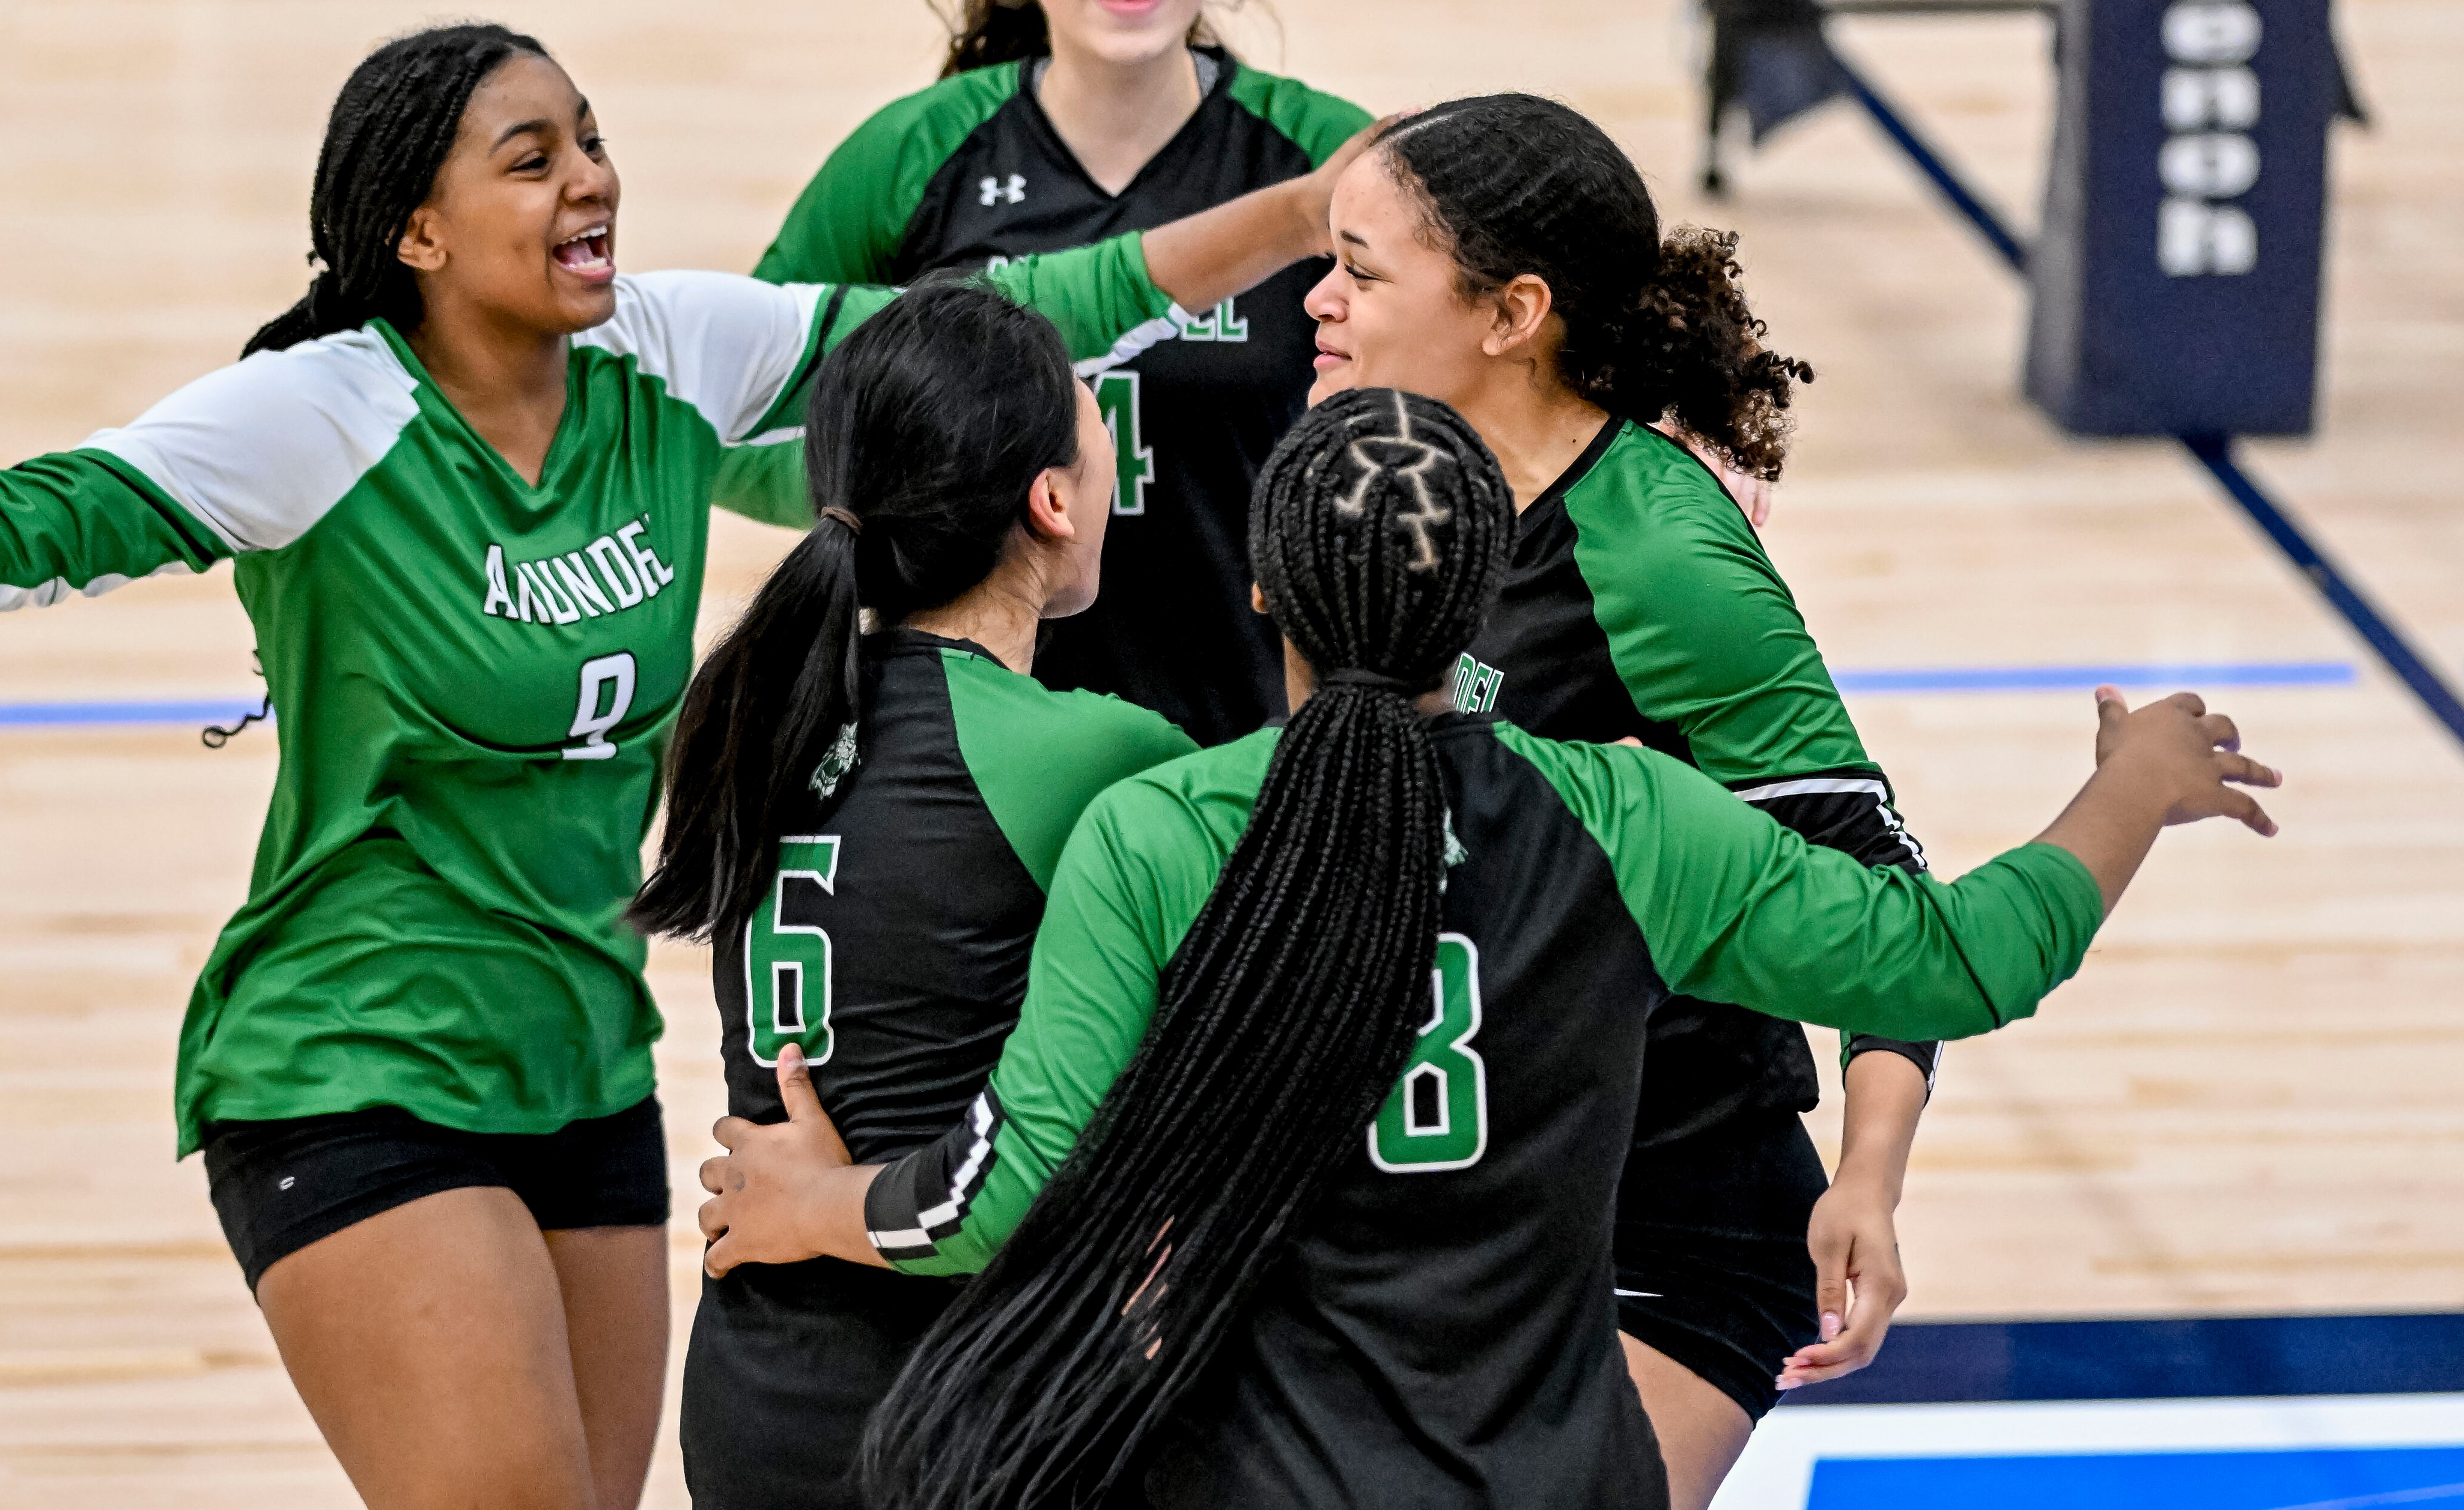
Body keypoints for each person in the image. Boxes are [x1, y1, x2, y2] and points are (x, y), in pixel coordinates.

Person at [0, 22, 1338, 1510]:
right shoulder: (322, 415)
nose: (590, 174)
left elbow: (1017, 319)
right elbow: (25, 518)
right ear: (418, 231)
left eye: (592, 137)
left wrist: (1303, 211)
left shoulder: (670, 356)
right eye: (528, 155)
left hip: (581, 1060)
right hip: (351, 1052)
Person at [699, 389, 2277, 1508]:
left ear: (1262, 588)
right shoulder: (1630, 817)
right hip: (1555, 1465)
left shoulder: (1163, 828)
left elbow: (1022, 1174)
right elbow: (1964, 960)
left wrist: (819, 1202)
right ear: (1485, 598)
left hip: (1246, 1468)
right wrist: (2126, 791)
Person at [1297, 91, 1958, 1501]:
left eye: (1360, 269)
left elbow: (1877, 886)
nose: (1320, 298)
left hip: (1657, 1208)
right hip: (1443, 1179)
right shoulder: (1366, 474)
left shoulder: (1653, 552)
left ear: (1509, 311)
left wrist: (1870, 1174)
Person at [638, 283, 1195, 1509]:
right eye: (1099, 435)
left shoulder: (748, 714)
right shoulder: (1094, 754)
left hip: (754, 1388)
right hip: (968, 1394)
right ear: (1052, 500)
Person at [720, 0, 1373, 745]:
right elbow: (741, 416)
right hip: (968, 768)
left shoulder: (1324, 156)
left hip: (1252, 757)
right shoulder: (910, 156)